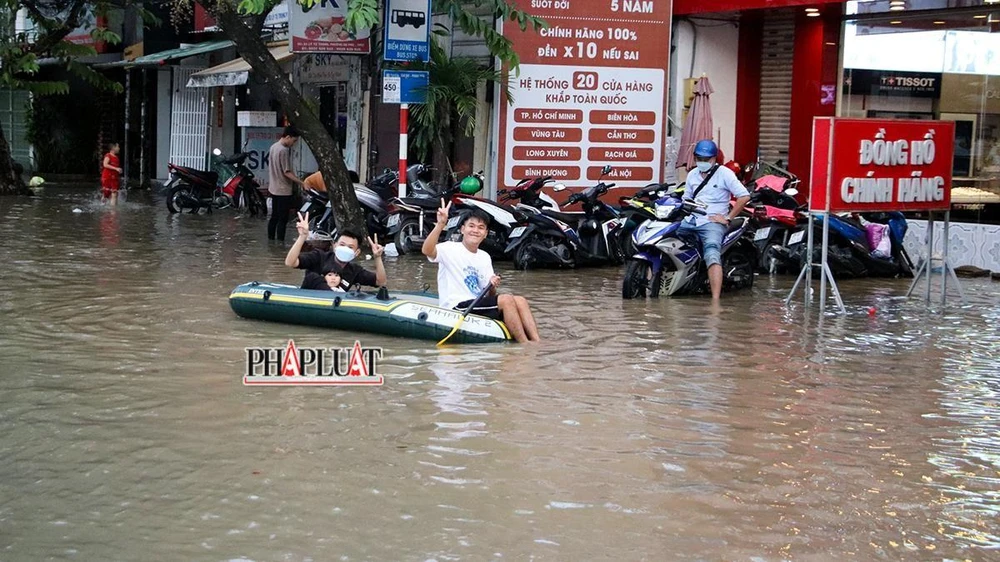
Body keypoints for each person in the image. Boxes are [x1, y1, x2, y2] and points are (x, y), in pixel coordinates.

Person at [422, 200, 541, 343]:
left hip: (476, 304)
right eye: (471, 226)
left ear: (485, 234)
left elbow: (489, 295)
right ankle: (524, 344)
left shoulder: (484, 257)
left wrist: (492, 285)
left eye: (480, 227)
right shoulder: (449, 248)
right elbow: (427, 250)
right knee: (506, 299)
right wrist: (441, 224)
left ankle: (537, 341)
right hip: (457, 306)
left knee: (520, 300)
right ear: (462, 229)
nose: (475, 230)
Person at [681, 139, 751, 300]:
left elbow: (744, 196)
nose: (703, 162)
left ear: (714, 159)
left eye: (707, 159)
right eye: (700, 159)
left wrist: (727, 217)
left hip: (713, 222)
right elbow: (686, 198)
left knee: (712, 254)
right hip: (692, 219)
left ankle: (715, 301)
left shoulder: (725, 174)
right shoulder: (692, 175)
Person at [285, 212, 387, 288]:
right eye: (342, 244)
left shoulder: (354, 271)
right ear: (334, 246)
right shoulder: (319, 256)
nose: (345, 249)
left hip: (334, 307)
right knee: (313, 277)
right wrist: (302, 237)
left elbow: (381, 282)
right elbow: (290, 262)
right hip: (310, 303)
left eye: (350, 247)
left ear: (356, 253)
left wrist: (377, 257)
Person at [268, 126, 307, 242]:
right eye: (294, 141)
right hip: (283, 190)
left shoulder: (273, 147)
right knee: (283, 219)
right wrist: (302, 183)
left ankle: (271, 241)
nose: (293, 144)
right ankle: (280, 243)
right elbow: (287, 172)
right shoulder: (283, 150)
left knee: (274, 217)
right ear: (288, 137)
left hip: (273, 188)